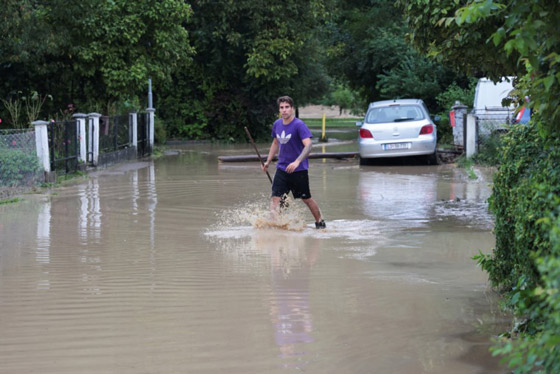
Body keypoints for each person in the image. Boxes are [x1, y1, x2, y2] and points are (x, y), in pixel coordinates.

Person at [262, 96, 326, 229]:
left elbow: (308, 145)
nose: (284, 110)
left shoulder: (299, 125)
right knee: (275, 198)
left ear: (292, 109)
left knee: (306, 198)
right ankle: (273, 227)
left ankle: (320, 221)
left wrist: (297, 162)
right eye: (281, 107)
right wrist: (268, 161)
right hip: (282, 169)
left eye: (287, 107)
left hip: (299, 170)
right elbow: (275, 143)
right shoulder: (277, 124)